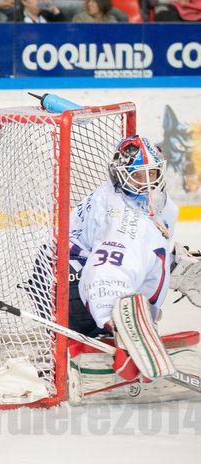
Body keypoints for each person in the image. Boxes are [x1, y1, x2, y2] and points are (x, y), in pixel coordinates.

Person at [66, 136, 201, 380]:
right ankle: (99, 326)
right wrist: (117, 323)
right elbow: (105, 270)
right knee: (134, 259)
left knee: (150, 252)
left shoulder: (146, 202)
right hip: (68, 293)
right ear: (121, 175)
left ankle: (176, 266)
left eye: (152, 173)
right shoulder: (121, 217)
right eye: (138, 175)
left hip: (64, 274)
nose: (147, 183)